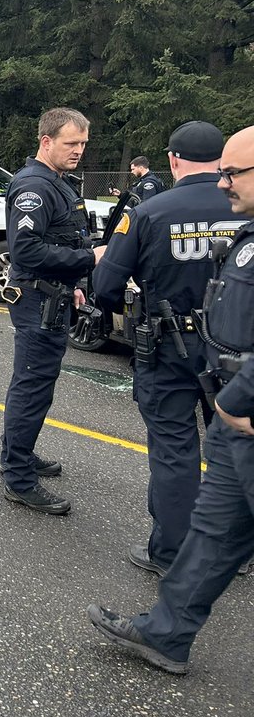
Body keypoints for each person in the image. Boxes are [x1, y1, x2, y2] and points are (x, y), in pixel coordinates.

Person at [89, 124, 254, 675]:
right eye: (226, 170)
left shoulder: (154, 209)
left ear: (172, 158)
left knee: (175, 451)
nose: (228, 183)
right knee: (221, 485)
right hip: (227, 366)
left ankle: (167, 549)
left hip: (177, 354)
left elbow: (109, 282)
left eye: (237, 173)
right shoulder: (242, 216)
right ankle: (176, 621)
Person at [0, 108, 96, 515]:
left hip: (52, 295)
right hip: (36, 301)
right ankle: (18, 477)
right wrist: (91, 258)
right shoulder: (33, 188)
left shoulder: (55, 182)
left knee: (37, 383)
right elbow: (26, 249)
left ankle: (20, 452)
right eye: (70, 143)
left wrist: (69, 285)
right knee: (33, 385)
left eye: (83, 144)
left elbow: (58, 241)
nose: (78, 151)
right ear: (46, 141)